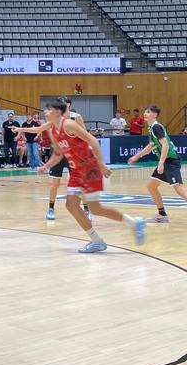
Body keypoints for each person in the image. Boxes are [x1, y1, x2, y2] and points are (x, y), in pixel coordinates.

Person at [27, 101, 145, 253]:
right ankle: (97, 240)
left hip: (89, 168)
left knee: (95, 209)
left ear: (57, 112)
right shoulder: (53, 130)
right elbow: (58, 154)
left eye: (48, 109)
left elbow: (93, 140)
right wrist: (46, 166)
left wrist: (101, 164)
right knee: (71, 205)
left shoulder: (68, 124)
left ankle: (134, 223)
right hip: (76, 171)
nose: (45, 112)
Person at [14, 98, 92, 221]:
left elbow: (85, 134)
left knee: (80, 185)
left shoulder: (75, 117)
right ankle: (51, 208)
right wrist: (21, 129)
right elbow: (39, 129)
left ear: (68, 105)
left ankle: (87, 209)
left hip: (74, 155)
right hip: (59, 154)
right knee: (55, 183)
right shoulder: (55, 120)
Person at [128, 105, 187, 223]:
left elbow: (165, 145)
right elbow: (151, 146)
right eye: (145, 112)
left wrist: (161, 163)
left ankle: (162, 215)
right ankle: (162, 214)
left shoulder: (156, 127)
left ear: (155, 115)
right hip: (166, 161)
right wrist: (137, 156)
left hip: (170, 161)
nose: (145, 114)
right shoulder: (151, 129)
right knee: (151, 186)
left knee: (179, 189)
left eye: (148, 112)